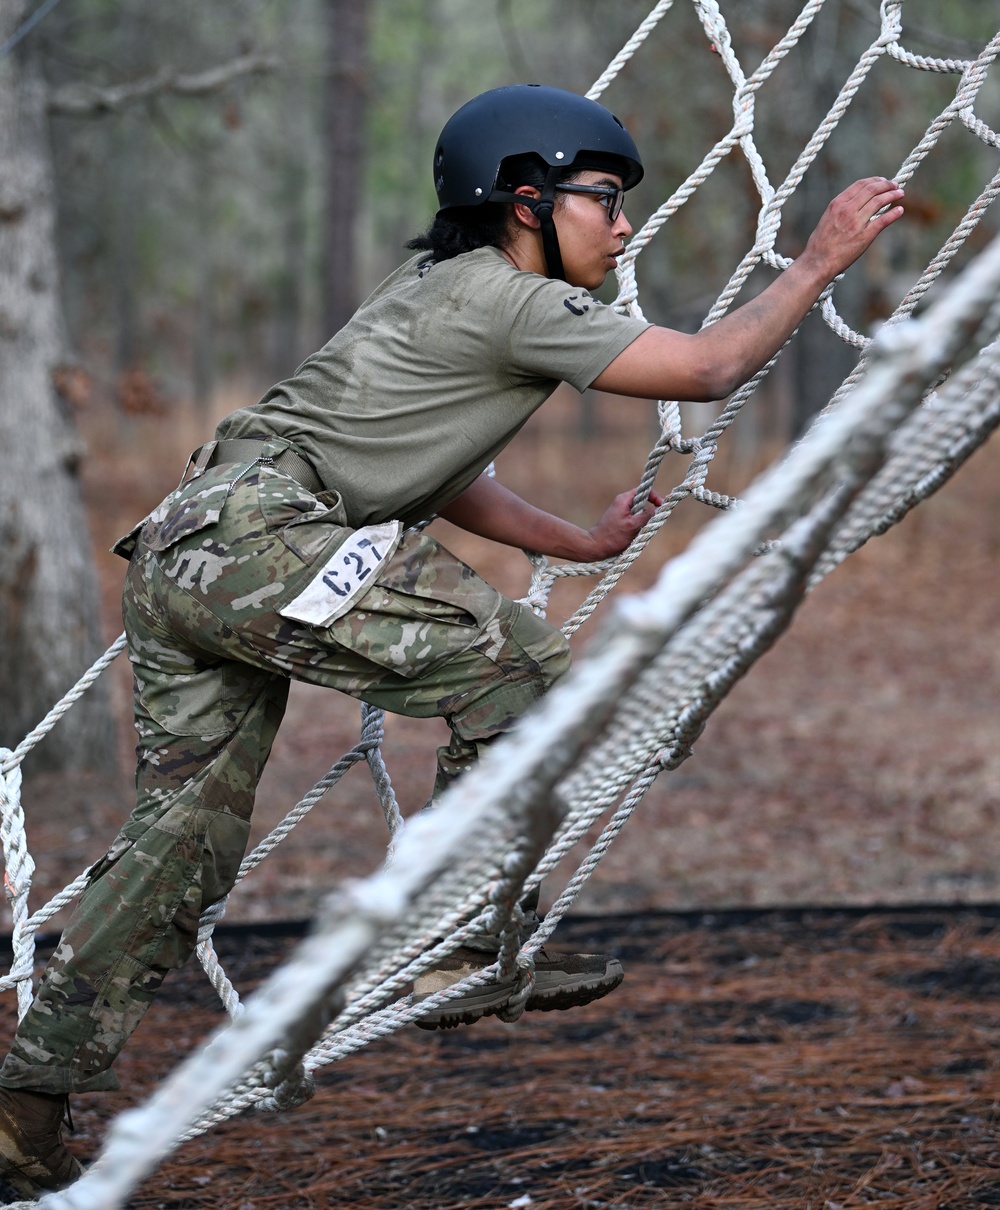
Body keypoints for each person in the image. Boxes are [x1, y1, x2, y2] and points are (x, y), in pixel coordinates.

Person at [0, 83, 903, 1198]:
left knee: (178, 847)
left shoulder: (435, 286)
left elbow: (444, 466)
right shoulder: (513, 300)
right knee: (520, 667)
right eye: (605, 199)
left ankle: (22, 1107)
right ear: (525, 198)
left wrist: (569, 535)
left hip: (191, 549)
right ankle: (461, 929)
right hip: (262, 536)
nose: (623, 225)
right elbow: (711, 368)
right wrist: (817, 262)